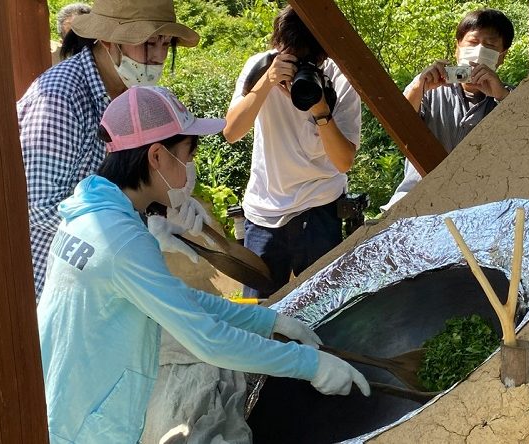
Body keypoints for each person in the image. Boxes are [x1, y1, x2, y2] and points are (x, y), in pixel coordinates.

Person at [37, 86, 370, 444]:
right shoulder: (123, 241)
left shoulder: (88, 213)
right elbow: (209, 341)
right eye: (187, 153)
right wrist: (311, 365)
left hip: (62, 405)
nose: (190, 166)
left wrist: (270, 320)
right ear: (157, 156)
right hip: (84, 428)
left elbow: (181, 300)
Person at [18, 0, 201, 300]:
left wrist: (163, 206)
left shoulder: (128, 96)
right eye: (149, 43)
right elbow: (38, 206)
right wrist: (136, 228)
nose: (158, 56)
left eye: (166, 43)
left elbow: (123, 184)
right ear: (108, 42)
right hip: (41, 288)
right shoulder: (60, 97)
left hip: (89, 284)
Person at [223, 5, 362, 298]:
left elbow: (343, 161)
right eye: (293, 58)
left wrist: (320, 109)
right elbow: (232, 133)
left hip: (322, 206)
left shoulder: (339, 77)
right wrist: (266, 82)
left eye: (311, 60)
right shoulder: (259, 68)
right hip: (265, 210)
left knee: (327, 309)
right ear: (278, 47)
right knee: (260, 310)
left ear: (324, 55)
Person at [380, 8, 514, 211]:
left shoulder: (512, 99)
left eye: (490, 45)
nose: (479, 51)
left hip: (481, 210)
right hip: (416, 205)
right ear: (457, 48)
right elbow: (396, 123)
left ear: (502, 56)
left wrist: (501, 96)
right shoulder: (430, 89)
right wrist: (418, 86)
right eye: (472, 42)